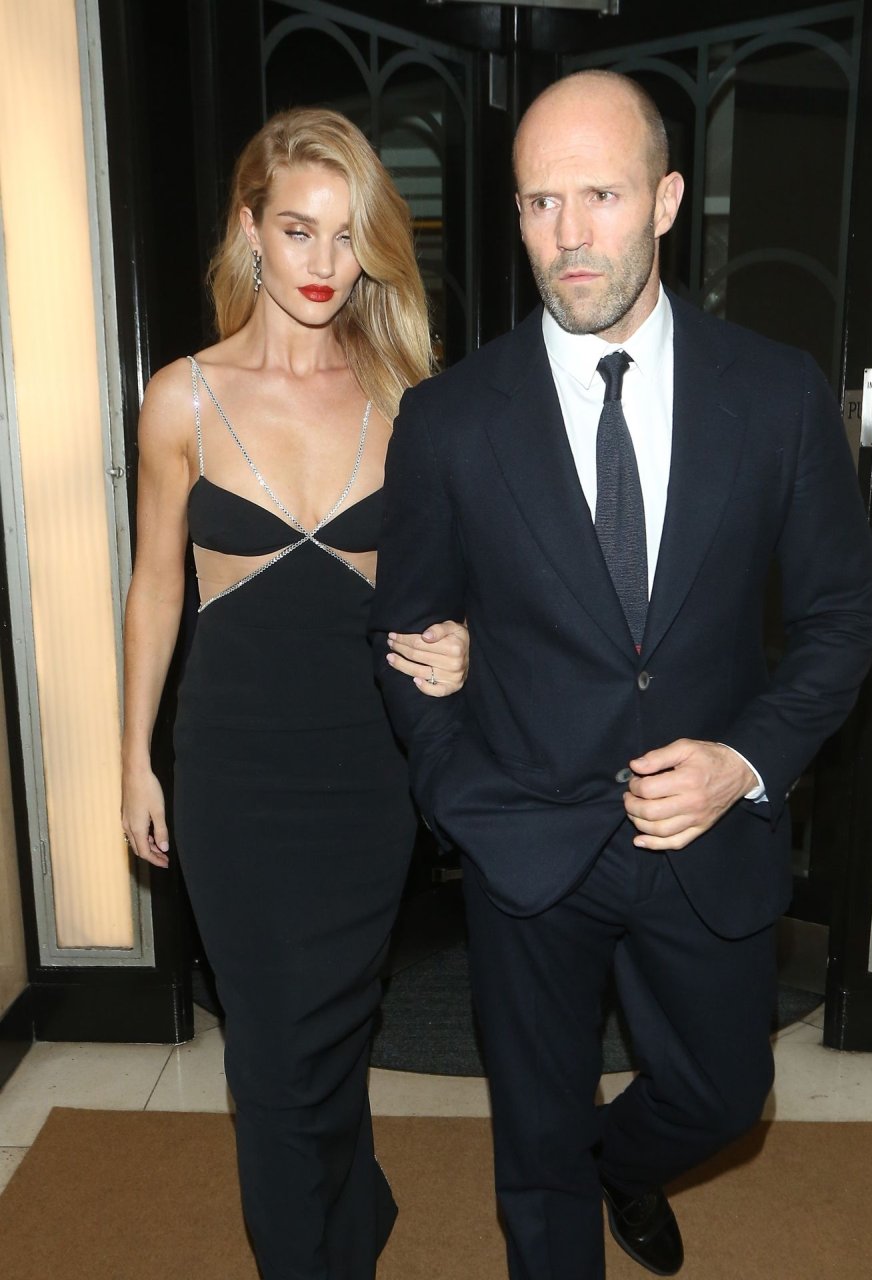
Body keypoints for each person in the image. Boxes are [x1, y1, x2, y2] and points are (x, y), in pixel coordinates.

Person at [371, 70, 872, 1280]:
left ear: (663, 200)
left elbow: (839, 619)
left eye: (598, 195)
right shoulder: (449, 420)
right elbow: (406, 638)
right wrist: (459, 796)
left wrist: (743, 761)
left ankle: (622, 1157)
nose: (567, 233)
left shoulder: (773, 394)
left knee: (724, 1090)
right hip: (523, 837)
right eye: (538, 201)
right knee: (532, 1146)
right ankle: (569, 1175)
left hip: (703, 830)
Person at [121, 108, 469, 1280]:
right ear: (251, 231)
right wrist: (133, 759)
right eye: (297, 229)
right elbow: (154, 588)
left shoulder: (408, 400)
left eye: (347, 233)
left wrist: (462, 644)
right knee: (271, 1055)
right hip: (232, 774)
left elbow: (456, 585)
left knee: (334, 1025)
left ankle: (352, 1204)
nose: (324, 261)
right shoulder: (183, 397)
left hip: (368, 775)